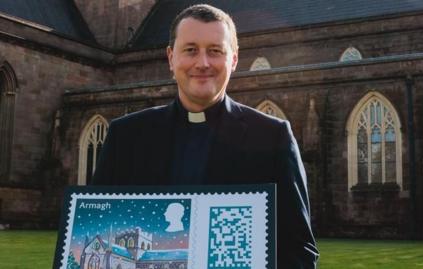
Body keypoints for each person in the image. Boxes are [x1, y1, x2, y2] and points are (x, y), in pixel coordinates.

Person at [93, 4, 319, 268]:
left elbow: (299, 249)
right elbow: (95, 230)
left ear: (233, 59)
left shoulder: (272, 136)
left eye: (215, 51)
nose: (202, 63)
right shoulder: (126, 136)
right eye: (190, 50)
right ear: (171, 58)